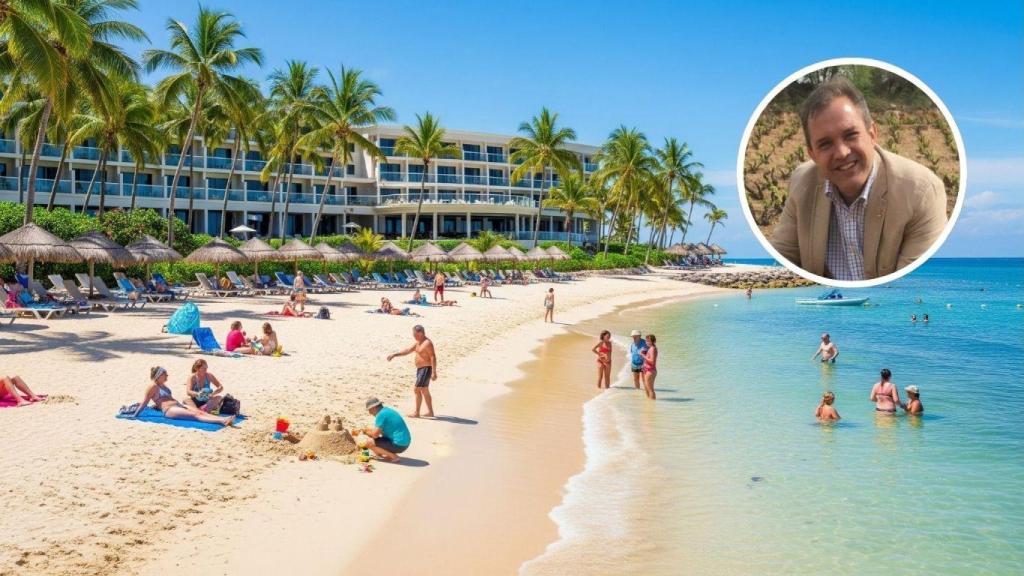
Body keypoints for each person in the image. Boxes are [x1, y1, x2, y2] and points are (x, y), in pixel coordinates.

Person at [769, 77, 948, 280]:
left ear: (872, 134)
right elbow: (780, 260)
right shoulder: (802, 184)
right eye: (825, 144)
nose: (842, 152)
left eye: (850, 135)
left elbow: (911, 286)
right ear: (812, 155)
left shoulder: (920, 192)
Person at [127, 366, 234, 426]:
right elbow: (144, 402)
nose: (167, 376)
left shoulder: (163, 385)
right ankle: (221, 421)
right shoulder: (153, 387)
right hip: (169, 409)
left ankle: (223, 418)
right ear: (159, 376)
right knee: (195, 415)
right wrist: (135, 415)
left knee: (200, 412)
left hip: (177, 405)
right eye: (165, 374)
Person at [387, 325, 437, 418]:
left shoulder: (427, 343)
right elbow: (407, 351)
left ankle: (417, 413)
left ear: (421, 333)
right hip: (420, 369)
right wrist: (395, 354)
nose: (414, 336)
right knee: (424, 390)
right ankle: (430, 412)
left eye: (415, 334)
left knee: (417, 389)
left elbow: (433, 357)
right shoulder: (418, 343)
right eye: (413, 334)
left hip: (426, 369)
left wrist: (434, 372)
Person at [352, 397, 411, 462]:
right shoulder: (386, 411)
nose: (370, 413)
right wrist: (367, 431)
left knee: (368, 442)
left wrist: (364, 431)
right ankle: (379, 454)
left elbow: (375, 435)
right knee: (373, 439)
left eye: (369, 410)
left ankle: (394, 457)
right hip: (404, 443)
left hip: (399, 444)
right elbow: (377, 432)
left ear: (374, 408)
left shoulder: (381, 415)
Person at [640, 334, 658, 400]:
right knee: (647, 387)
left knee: (650, 389)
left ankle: (652, 403)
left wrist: (643, 356)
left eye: (648, 341)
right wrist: (644, 355)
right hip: (648, 370)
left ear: (653, 341)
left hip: (650, 371)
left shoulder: (653, 349)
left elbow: (652, 361)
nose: (647, 342)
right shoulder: (651, 348)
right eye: (646, 341)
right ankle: (649, 402)